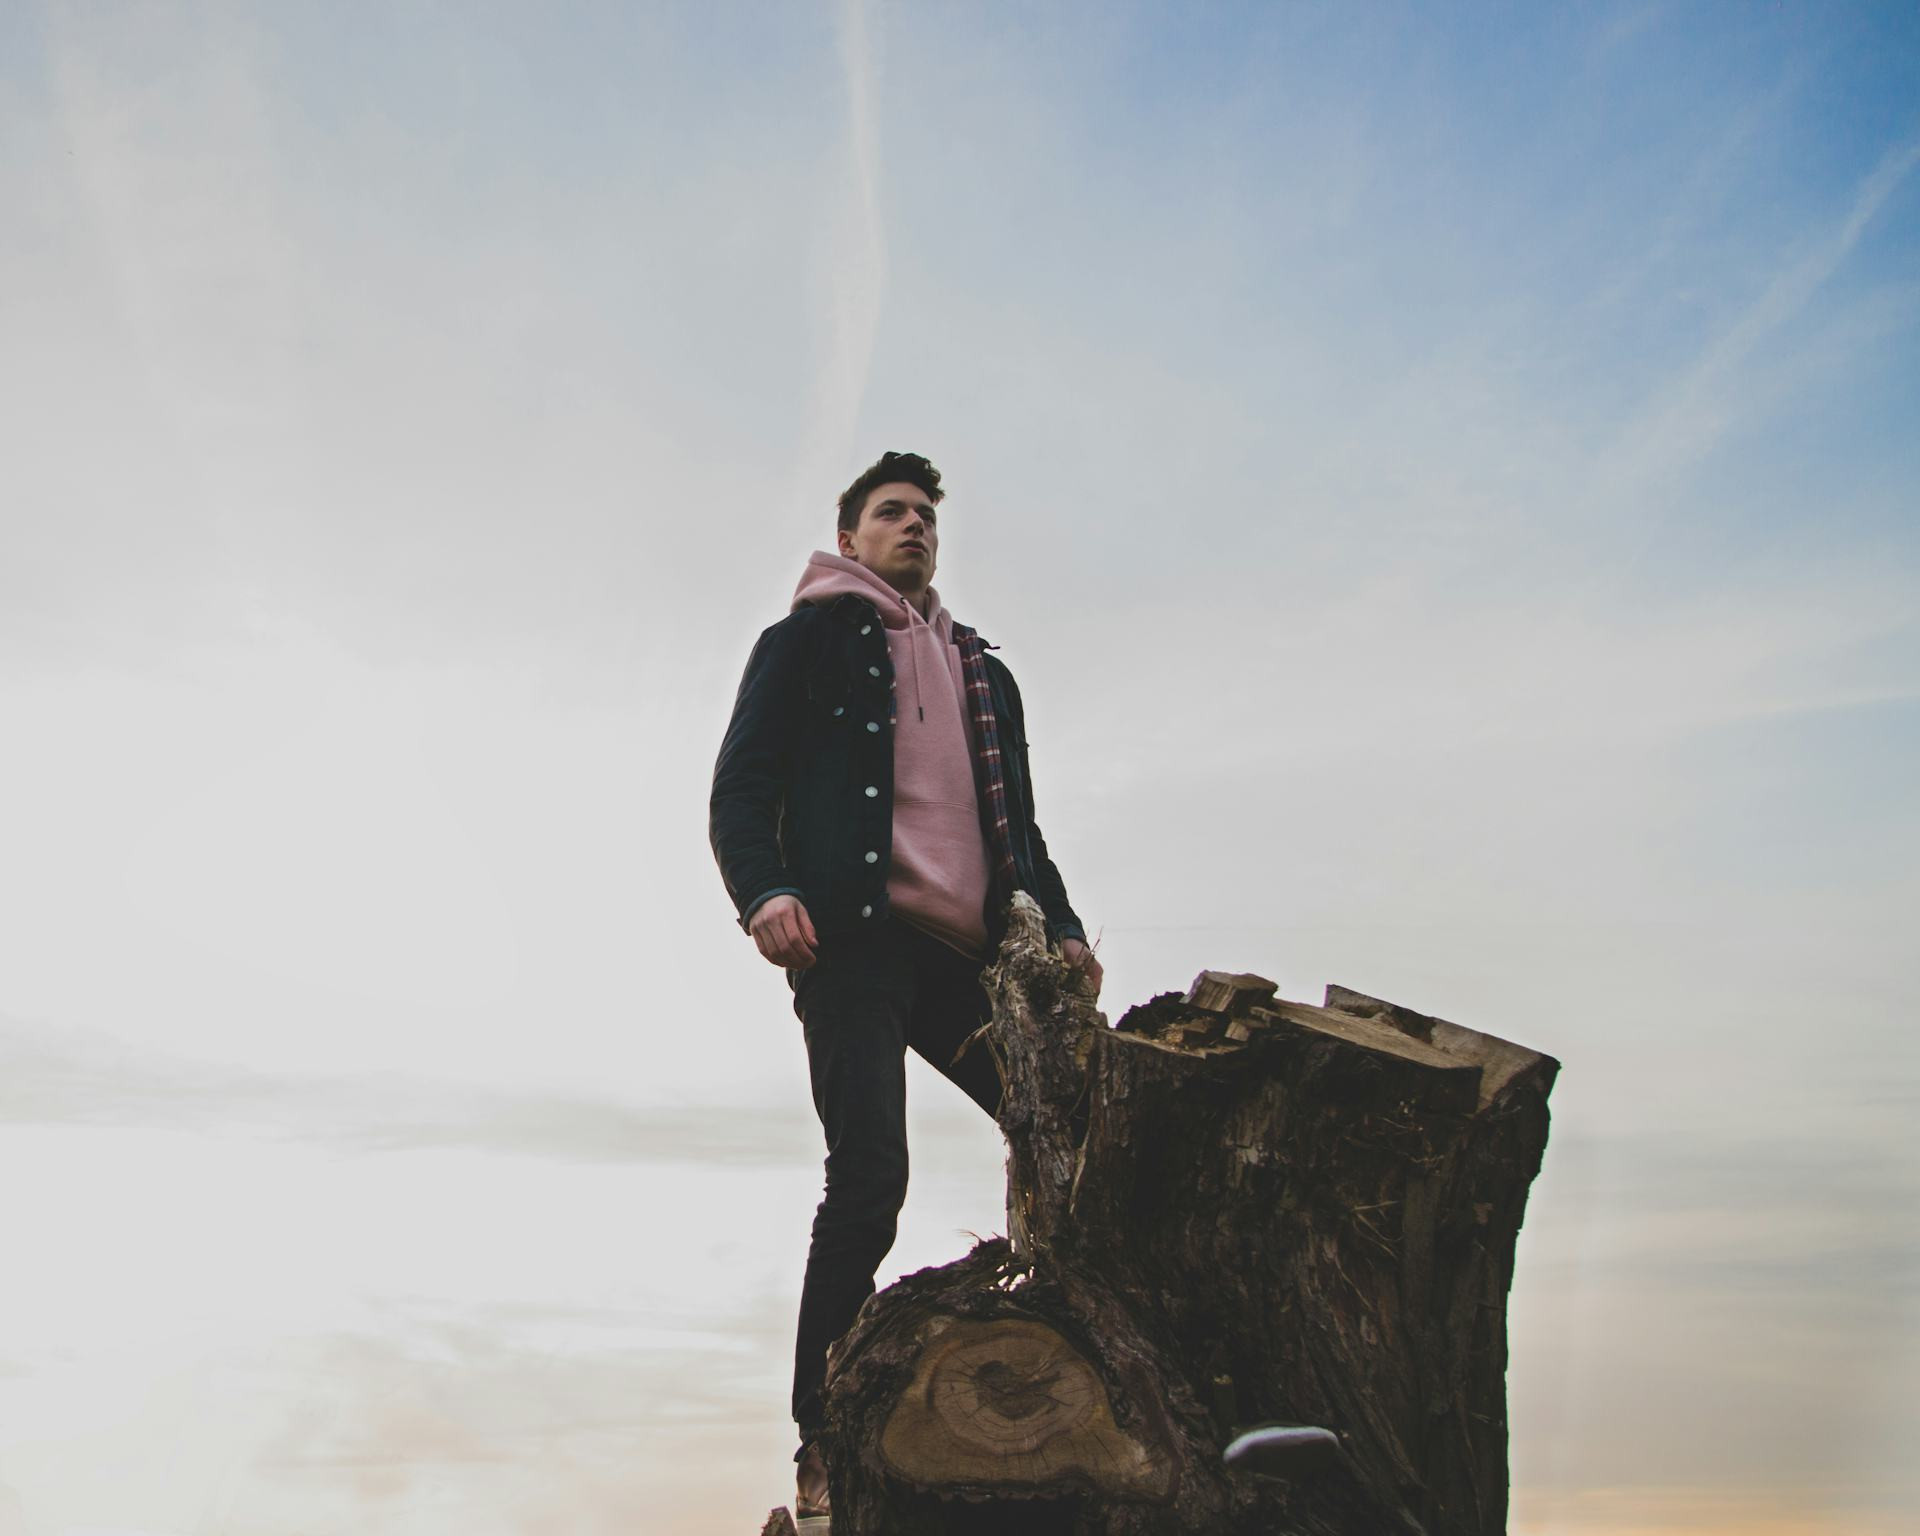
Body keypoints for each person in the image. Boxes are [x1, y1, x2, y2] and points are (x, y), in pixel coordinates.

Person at [709, 450, 1099, 1526]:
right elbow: (740, 787)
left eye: (926, 513)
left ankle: (1070, 1382)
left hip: (973, 966)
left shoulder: (981, 672)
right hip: (854, 946)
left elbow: (1018, 827)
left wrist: (1064, 928)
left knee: (1074, 1139)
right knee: (871, 1175)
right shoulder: (807, 642)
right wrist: (765, 891)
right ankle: (824, 1442)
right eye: (892, 512)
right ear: (851, 540)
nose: (914, 524)